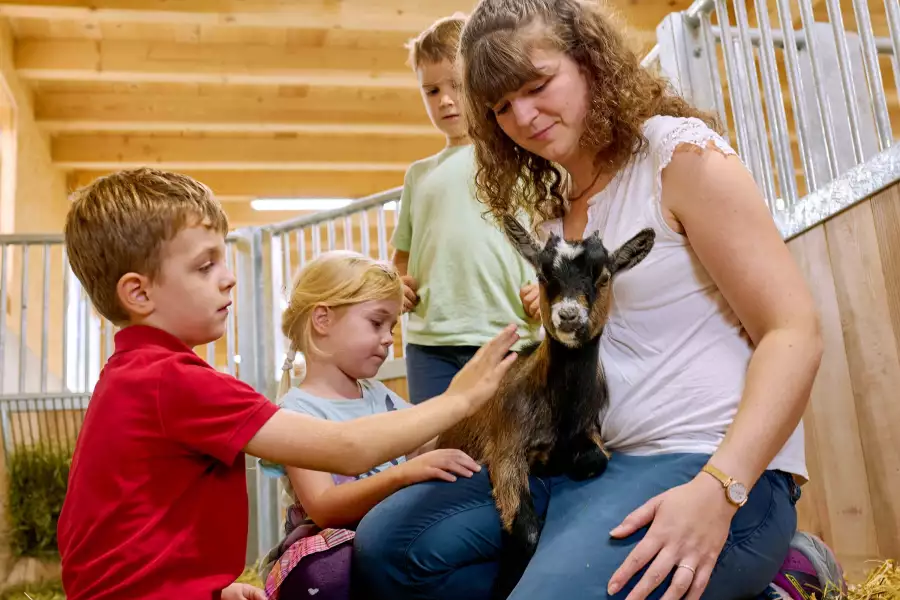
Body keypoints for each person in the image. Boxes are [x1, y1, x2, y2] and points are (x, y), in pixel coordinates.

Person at [351, 1, 824, 599]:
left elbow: (794, 331)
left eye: (536, 85)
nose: (521, 116)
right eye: (499, 106)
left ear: (591, 62)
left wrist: (720, 487)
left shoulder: (678, 158)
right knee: (390, 549)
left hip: (706, 466)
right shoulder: (556, 205)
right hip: (590, 459)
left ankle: (779, 571)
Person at [56, 167, 519, 600]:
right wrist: (460, 398)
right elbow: (348, 449)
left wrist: (212, 588)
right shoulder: (171, 380)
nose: (229, 278)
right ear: (139, 293)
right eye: (204, 266)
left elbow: (133, 536)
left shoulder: (134, 375)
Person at [256, 250, 483, 600]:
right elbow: (325, 506)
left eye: (391, 327)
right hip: (334, 543)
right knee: (326, 577)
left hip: (394, 532)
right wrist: (405, 473)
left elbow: (430, 442)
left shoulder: (384, 398)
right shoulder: (295, 413)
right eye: (376, 323)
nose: (389, 338)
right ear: (323, 320)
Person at [392, 13, 542, 404]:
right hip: (430, 343)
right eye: (431, 90)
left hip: (508, 333)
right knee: (437, 452)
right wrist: (398, 285)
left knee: (510, 448)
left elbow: (553, 235)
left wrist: (548, 289)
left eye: (455, 85)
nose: (444, 100)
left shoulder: (520, 158)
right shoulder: (418, 176)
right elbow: (402, 258)